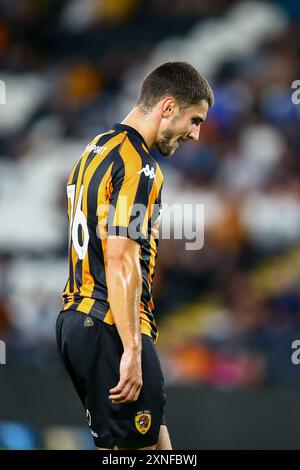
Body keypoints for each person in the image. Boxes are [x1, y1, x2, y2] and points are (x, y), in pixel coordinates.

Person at [56, 61, 214, 450]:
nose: (195, 135)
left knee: (153, 447)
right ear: (168, 107)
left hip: (76, 321)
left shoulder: (94, 150)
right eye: (194, 120)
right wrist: (131, 349)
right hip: (110, 323)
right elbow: (120, 258)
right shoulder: (139, 167)